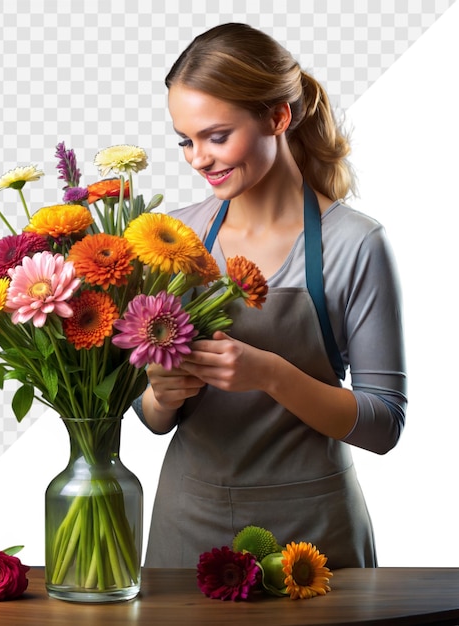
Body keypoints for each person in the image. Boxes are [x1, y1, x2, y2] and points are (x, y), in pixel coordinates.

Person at [134, 23, 407, 569]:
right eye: (185, 140)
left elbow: (384, 425)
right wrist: (161, 397)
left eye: (217, 136)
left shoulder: (355, 243)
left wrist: (269, 374)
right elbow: (151, 416)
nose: (198, 159)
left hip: (314, 535)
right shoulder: (169, 240)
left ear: (278, 117)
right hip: (186, 525)